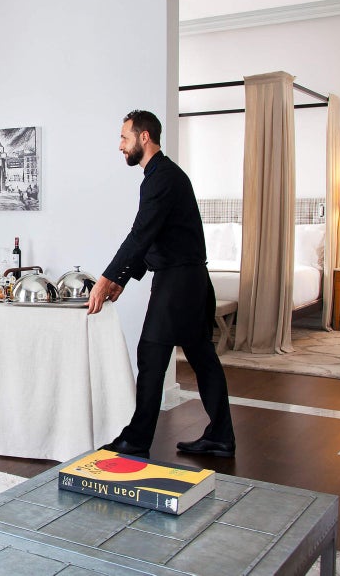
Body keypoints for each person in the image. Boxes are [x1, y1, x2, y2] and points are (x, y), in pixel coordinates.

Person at [86, 110, 235, 459]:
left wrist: (106, 279)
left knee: (152, 356)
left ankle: (136, 440)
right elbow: (156, 237)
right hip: (193, 281)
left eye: (124, 138)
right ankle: (221, 435)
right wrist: (123, 279)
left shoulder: (161, 178)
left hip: (178, 285)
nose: (120, 146)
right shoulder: (164, 176)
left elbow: (140, 235)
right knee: (202, 357)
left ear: (144, 137)